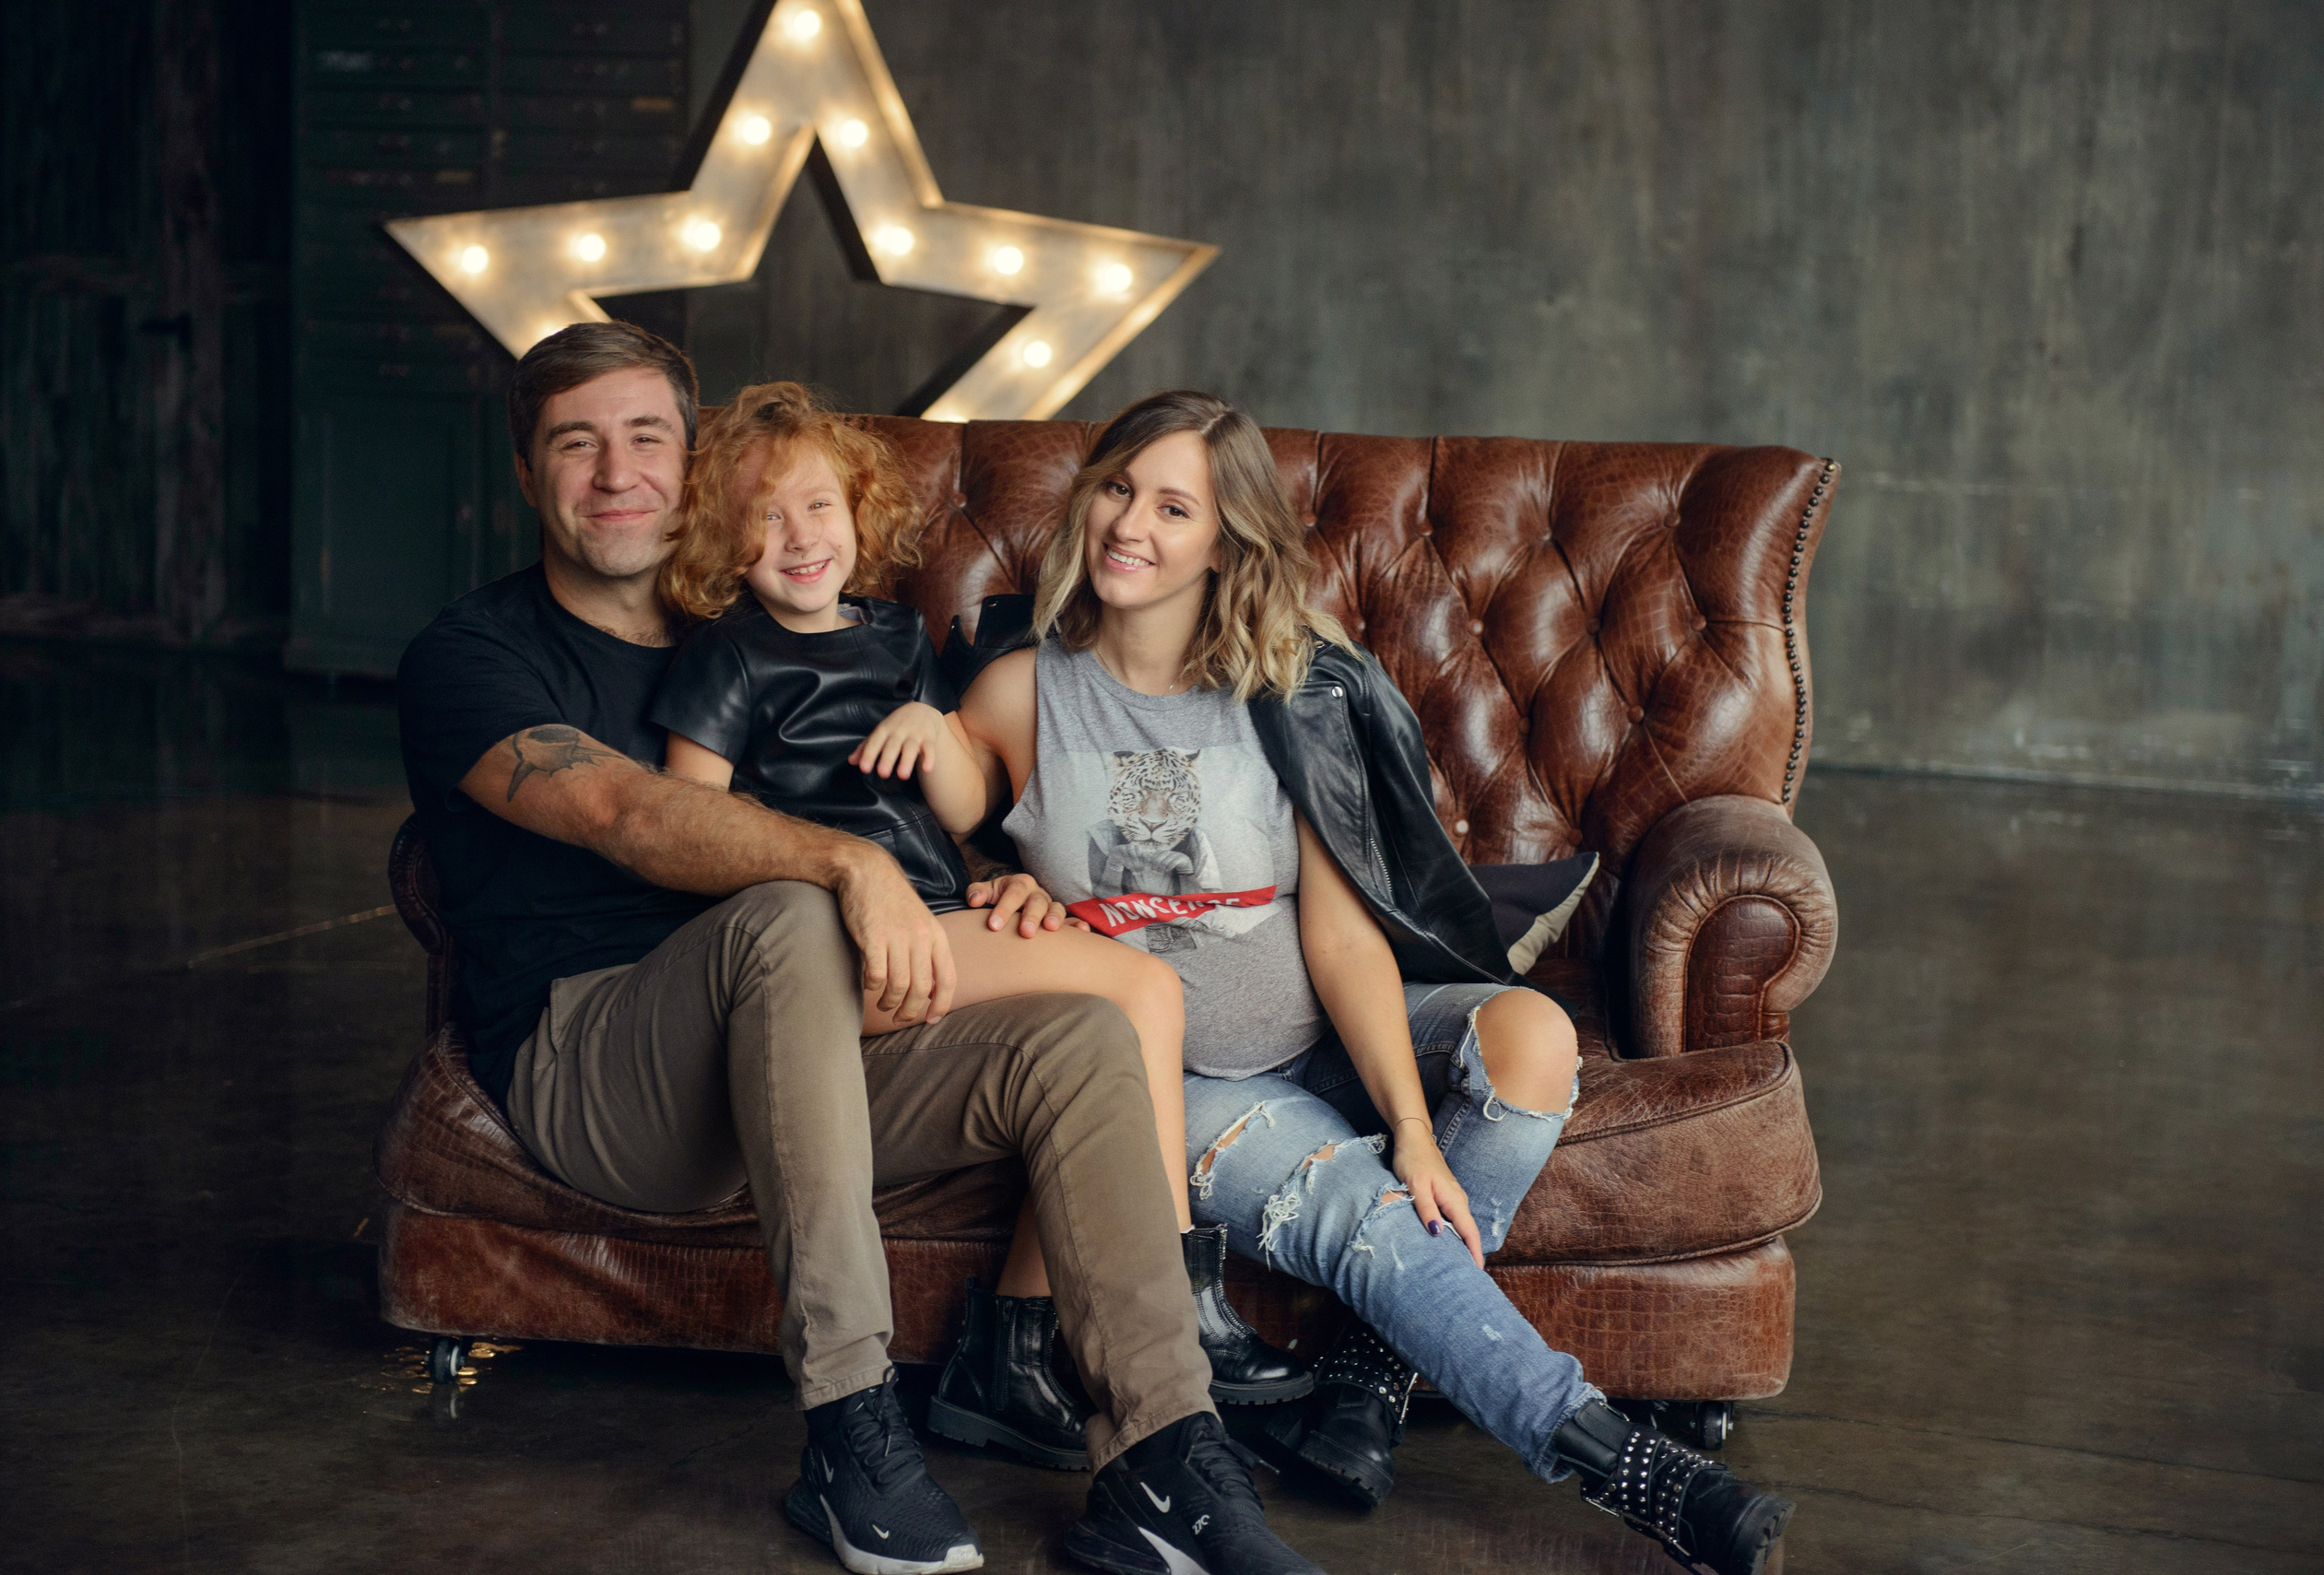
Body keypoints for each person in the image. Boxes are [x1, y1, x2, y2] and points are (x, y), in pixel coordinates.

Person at [395, 325, 1323, 1575]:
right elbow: (625, 810)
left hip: (798, 1049)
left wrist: (1001, 889)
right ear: (527, 474)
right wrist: (850, 866)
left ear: (692, 468)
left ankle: (1159, 1455)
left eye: (646, 438)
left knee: (1089, 1035)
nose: (615, 471)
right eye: (576, 442)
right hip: (602, 1066)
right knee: (782, 908)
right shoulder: (473, 655)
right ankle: (847, 1425)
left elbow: (900, 804)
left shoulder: (757, 619)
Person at [951, 390, 1796, 1575]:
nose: (1130, 523)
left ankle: (1364, 1378)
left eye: (1173, 504)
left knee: (1531, 1036)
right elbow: (920, 814)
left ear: (1226, 540)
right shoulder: (1023, 690)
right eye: (1116, 487)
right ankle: (1630, 1467)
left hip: (1323, 1033)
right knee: (1371, 1222)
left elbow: (1345, 937)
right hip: (1177, 1084)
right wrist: (994, 870)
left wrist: (1412, 1126)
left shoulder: (1284, 691)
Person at [647, 382, 1307, 1469]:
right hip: (814, 941)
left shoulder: (899, 639)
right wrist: (832, 899)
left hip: (938, 913)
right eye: (760, 517)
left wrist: (1008, 877)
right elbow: (692, 827)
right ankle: (1179, 1290)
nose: (796, 537)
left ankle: (1004, 1353)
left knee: (1085, 1040)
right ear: (720, 539)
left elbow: (953, 807)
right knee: (1138, 989)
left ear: (859, 516)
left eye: (817, 507)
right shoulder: (728, 654)